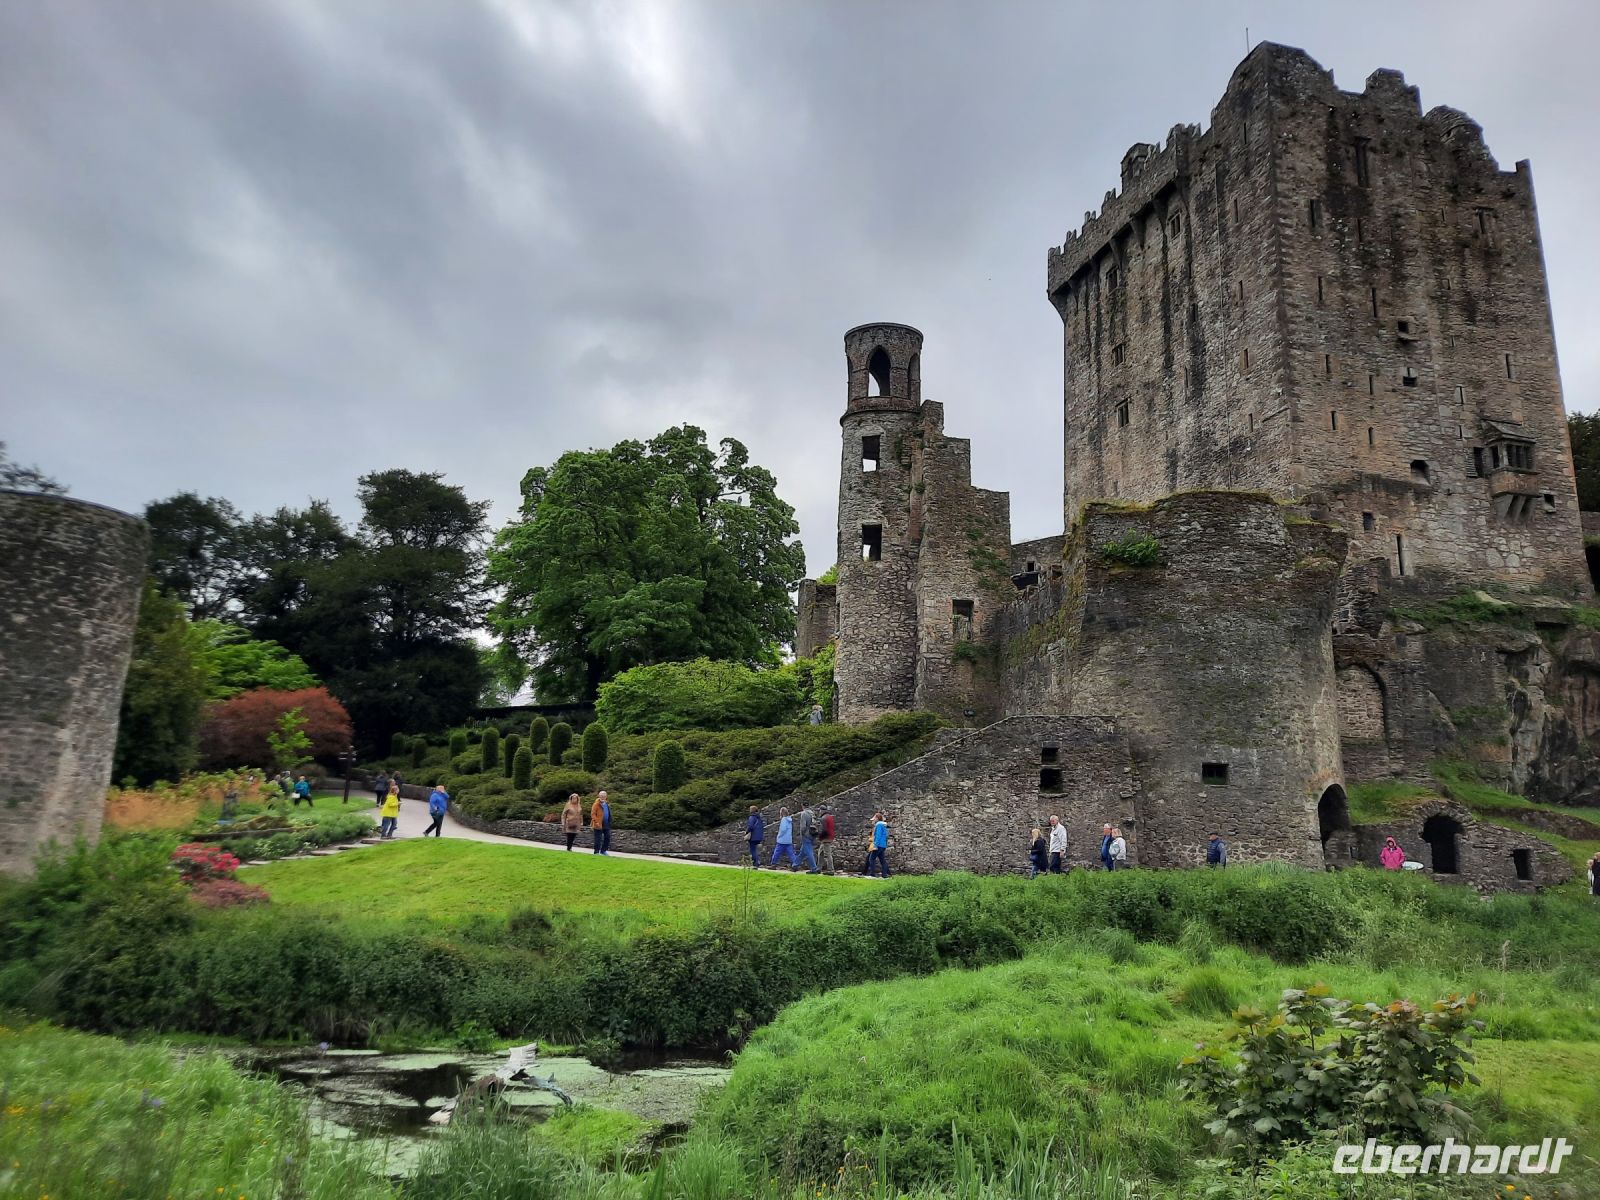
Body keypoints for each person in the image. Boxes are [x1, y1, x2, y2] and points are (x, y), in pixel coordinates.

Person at [866, 811, 890, 877]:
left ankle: (872, 874)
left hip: (878, 845)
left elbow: (878, 836)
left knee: (871, 859)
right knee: (882, 860)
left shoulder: (879, 825)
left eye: (874, 819)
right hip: (883, 845)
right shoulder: (883, 825)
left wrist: (875, 845)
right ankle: (884, 874)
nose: (873, 821)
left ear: (877, 818)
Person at [796, 803, 819, 873]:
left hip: (806, 835)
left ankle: (814, 868)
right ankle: (795, 865)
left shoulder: (804, 814)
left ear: (802, 806)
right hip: (813, 834)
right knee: (802, 852)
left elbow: (803, 827)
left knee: (809, 852)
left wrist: (802, 834)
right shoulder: (812, 813)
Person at [816, 804, 836, 875]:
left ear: (821, 810)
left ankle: (831, 870)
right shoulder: (830, 817)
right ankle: (818, 868)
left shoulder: (823, 818)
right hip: (830, 836)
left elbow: (823, 830)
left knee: (828, 854)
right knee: (820, 853)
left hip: (826, 838)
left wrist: (820, 836)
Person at [597, 790, 612, 855]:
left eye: (604, 795)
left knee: (607, 837)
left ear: (606, 796)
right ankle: (596, 852)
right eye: (601, 795)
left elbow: (608, 813)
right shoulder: (597, 803)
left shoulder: (607, 804)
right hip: (599, 823)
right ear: (599, 796)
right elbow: (593, 814)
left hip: (606, 824)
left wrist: (609, 821)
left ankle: (603, 851)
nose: (603, 796)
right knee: (598, 838)